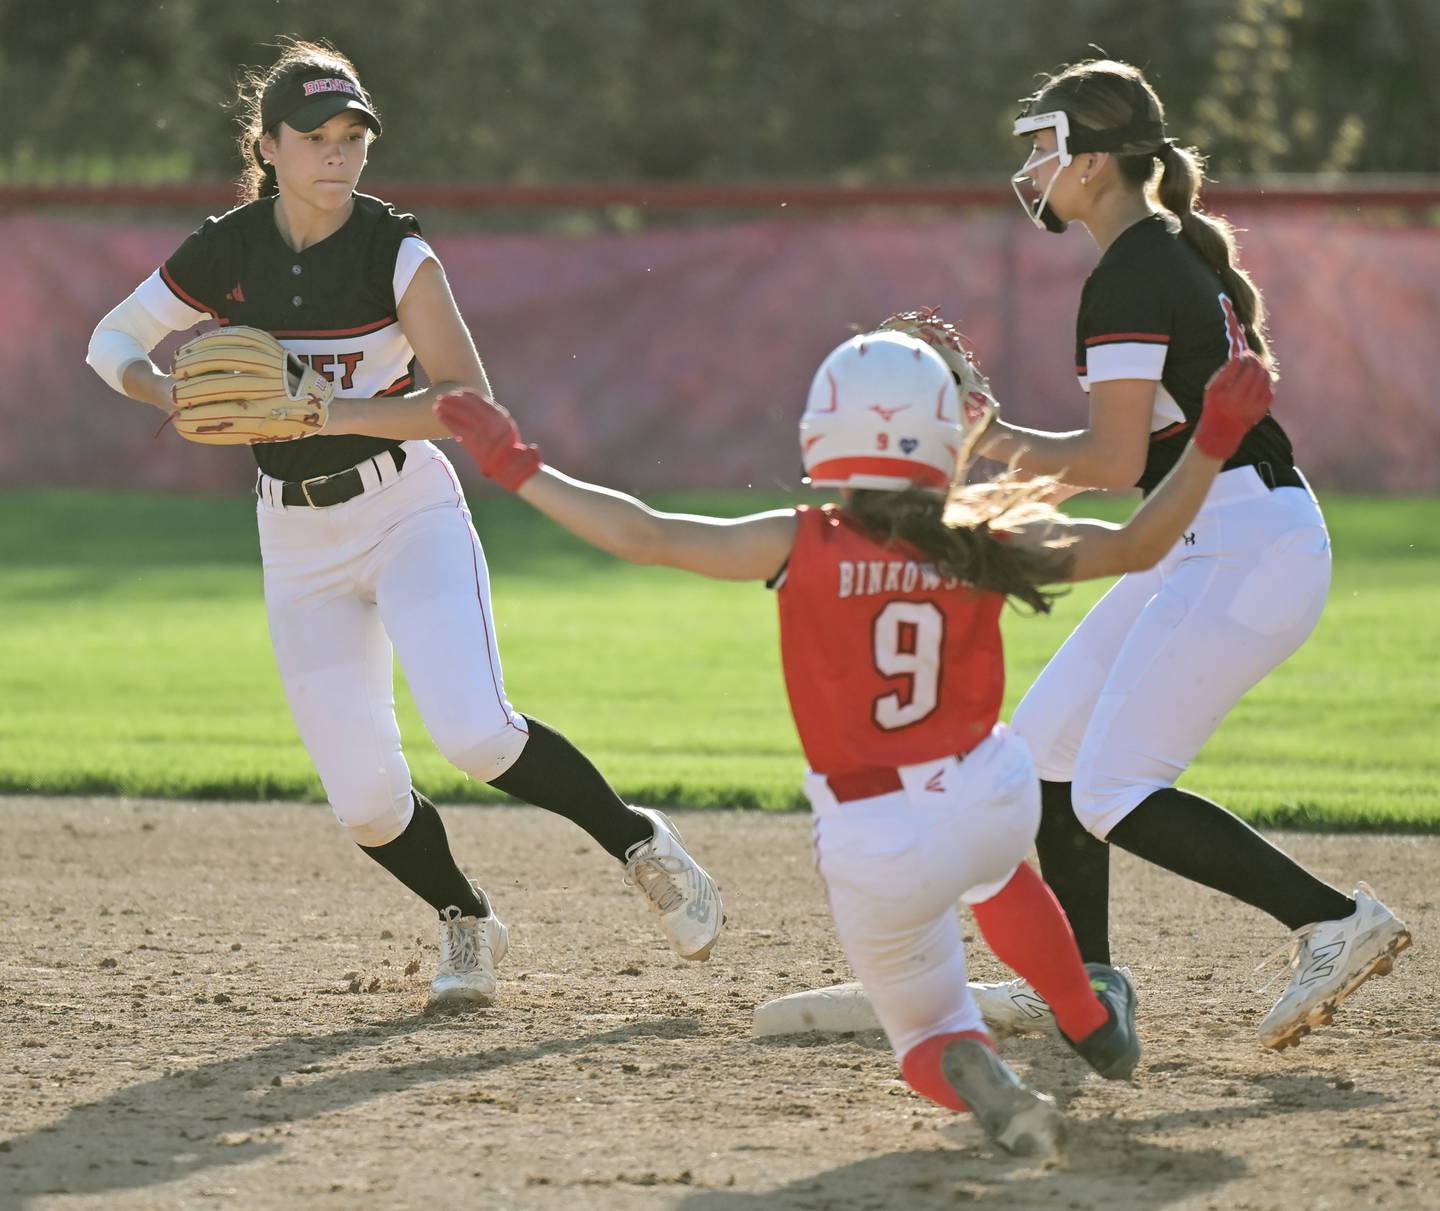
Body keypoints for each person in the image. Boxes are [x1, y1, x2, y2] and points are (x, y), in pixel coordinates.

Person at [433, 326, 1278, 1154]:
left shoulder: (799, 541)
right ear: (948, 435)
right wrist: (1210, 440)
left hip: (874, 830)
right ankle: (1090, 1014)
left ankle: (971, 1062)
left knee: (924, 1034)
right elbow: (1140, 543)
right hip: (987, 792)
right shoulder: (981, 538)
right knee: (997, 871)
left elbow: (646, 533)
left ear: (821, 435)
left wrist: (518, 466)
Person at [84, 39, 721, 1007]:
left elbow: (468, 403)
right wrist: (165, 391)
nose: (337, 155)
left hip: (404, 506)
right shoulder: (230, 248)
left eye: (353, 137)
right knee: (366, 803)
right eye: (316, 137)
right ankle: (467, 916)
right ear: (269, 146)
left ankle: (639, 839)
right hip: (293, 537)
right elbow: (109, 340)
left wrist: (324, 410)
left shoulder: (396, 250)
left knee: (475, 731)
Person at [968, 57, 1409, 1049]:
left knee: (1111, 789)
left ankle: (1333, 919)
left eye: (1047, 143)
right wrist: (988, 467)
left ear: (1094, 160)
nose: (1035, 165)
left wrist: (985, 439)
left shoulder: (1132, 272)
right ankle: (1081, 989)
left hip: (1241, 547)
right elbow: (1128, 464)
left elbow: (1110, 458)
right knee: (1041, 756)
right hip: (1216, 538)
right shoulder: (1158, 251)